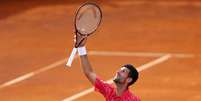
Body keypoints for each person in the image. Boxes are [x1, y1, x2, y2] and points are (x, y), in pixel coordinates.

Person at [75, 34, 140, 101]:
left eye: (123, 71)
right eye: (120, 70)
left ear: (129, 79)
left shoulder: (133, 100)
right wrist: (81, 47)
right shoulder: (109, 91)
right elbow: (89, 72)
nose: (118, 72)